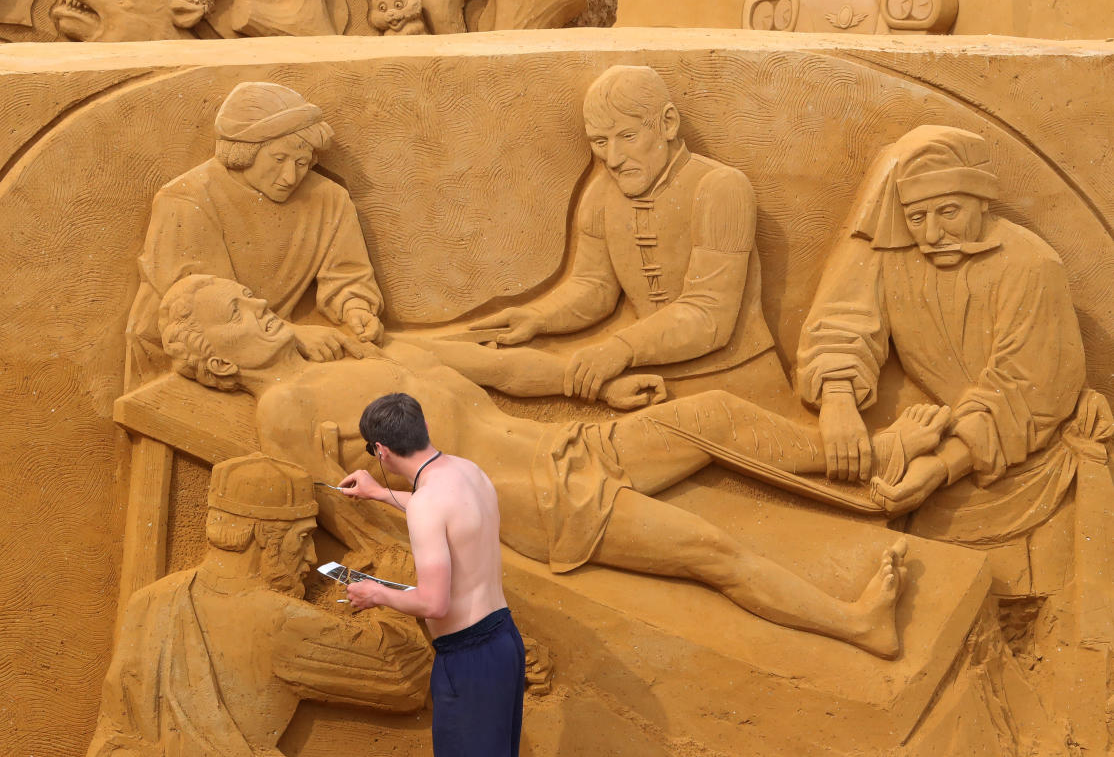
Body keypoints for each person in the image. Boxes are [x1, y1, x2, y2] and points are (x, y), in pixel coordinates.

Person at [157, 273, 912, 658]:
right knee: (709, 549)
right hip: (532, 500)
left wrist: (599, 385)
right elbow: (343, 512)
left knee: (710, 415)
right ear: (220, 358)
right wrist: (385, 580)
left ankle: (865, 455)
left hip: (569, 446)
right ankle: (858, 625)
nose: (255, 301)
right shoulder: (285, 410)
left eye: (245, 290)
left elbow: (505, 371)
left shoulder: (362, 350)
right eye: (234, 309)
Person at [798, 125, 1111, 547]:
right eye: (915, 217)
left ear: (982, 201)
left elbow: (1026, 392)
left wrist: (942, 466)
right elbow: (843, 323)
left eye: (948, 212)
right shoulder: (895, 256)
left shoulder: (1031, 265)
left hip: (1035, 471)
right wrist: (837, 400)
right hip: (933, 464)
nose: (930, 235)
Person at [471, 65, 785, 406]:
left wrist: (621, 348)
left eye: (628, 136)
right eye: (600, 142)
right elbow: (595, 287)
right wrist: (538, 318)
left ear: (667, 124)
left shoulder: (721, 188)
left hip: (737, 380)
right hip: (646, 380)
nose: (614, 159)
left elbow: (710, 313)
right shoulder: (600, 196)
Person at [87, 453, 430, 757]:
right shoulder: (280, 622)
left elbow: (116, 736)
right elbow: (402, 677)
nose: (312, 557)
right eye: (302, 538)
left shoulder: (149, 601)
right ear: (262, 536)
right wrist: (391, 589)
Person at [125, 81, 384, 384]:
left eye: (301, 163)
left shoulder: (329, 199)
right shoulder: (187, 198)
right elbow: (204, 309)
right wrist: (292, 335)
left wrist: (355, 308)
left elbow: (347, 275)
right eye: (278, 159)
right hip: (187, 358)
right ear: (245, 151)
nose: (290, 177)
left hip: (267, 349)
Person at [339, 393, 524, 757]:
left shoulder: (427, 504)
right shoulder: (468, 471)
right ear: (424, 427)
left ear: (380, 450)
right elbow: (448, 514)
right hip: (504, 641)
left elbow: (434, 604)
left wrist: (375, 593)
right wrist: (380, 493)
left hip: (468, 658)